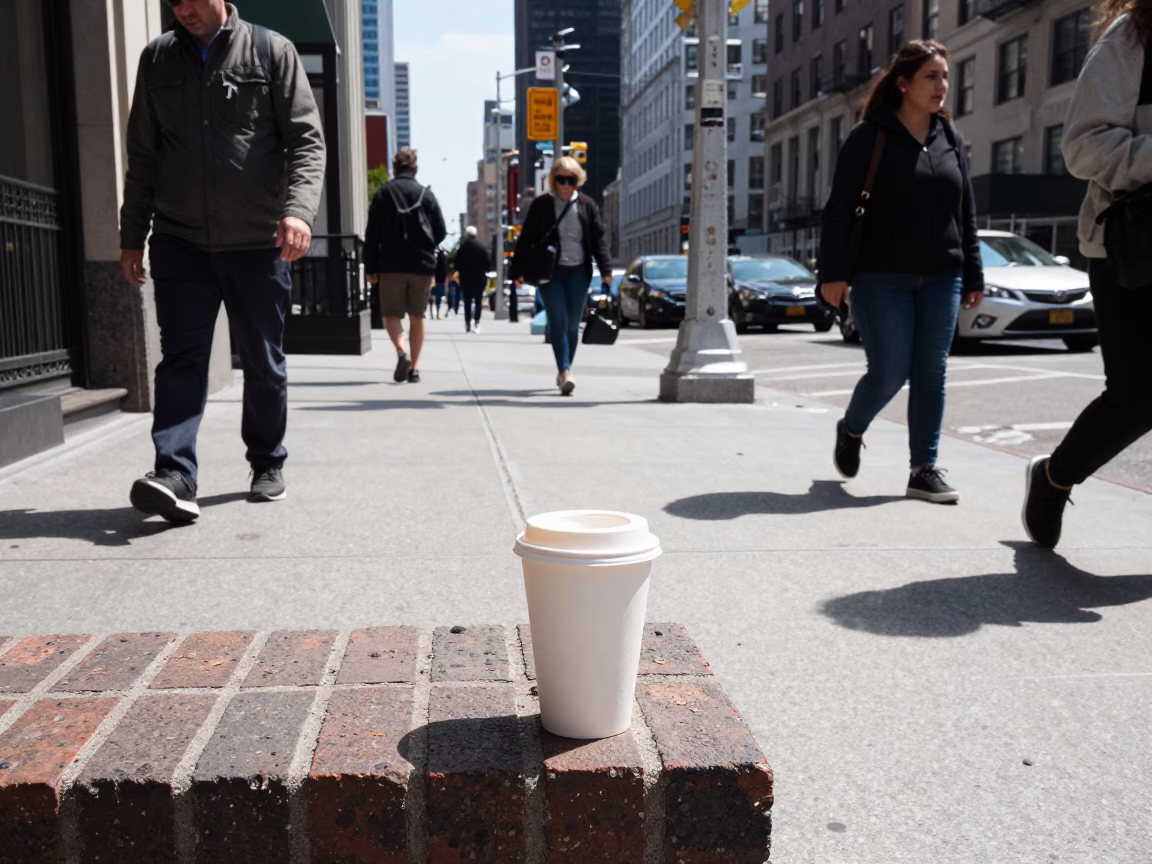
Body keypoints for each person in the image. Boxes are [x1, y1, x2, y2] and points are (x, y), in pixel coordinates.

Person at [120, 0, 325, 522]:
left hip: (258, 240)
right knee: (181, 360)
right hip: (179, 238)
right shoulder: (157, 59)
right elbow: (142, 153)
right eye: (173, 1)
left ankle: (266, 460)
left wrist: (298, 212)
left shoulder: (270, 50)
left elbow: (306, 140)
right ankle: (174, 474)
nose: (182, 9)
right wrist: (131, 234)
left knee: (262, 361)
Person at [819, 41, 983, 503]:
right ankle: (851, 429)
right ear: (904, 82)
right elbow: (838, 211)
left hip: (942, 275)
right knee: (889, 371)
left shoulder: (952, 138)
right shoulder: (868, 137)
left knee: (932, 371)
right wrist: (833, 273)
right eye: (932, 76)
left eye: (945, 76)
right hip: (879, 276)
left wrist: (973, 272)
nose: (942, 86)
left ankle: (922, 469)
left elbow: (965, 211)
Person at [1023, 0, 1152, 546]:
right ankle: (1054, 476)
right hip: (1134, 246)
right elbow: (1082, 146)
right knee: (1139, 397)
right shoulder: (1133, 38)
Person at [511, 157, 612, 395]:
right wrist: (517, 271)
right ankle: (565, 371)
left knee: (573, 323)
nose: (566, 185)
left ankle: (565, 369)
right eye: (561, 179)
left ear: (578, 181)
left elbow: (598, 239)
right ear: (553, 180)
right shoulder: (541, 205)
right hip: (550, 271)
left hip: (579, 270)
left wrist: (606, 270)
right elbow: (525, 240)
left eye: (571, 180)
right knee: (558, 320)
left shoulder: (587, 205)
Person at [364, 148, 447, 384]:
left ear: (394, 168)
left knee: (390, 315)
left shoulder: (383, 193)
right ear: (415, 169)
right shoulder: (425, 195)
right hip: (421, 265)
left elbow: (373, 234)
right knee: (417, 317)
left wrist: (370, 266)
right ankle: (416, 369)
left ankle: (402, 353)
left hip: (390, 265)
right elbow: (440, 232)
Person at [455, 226, 491, 334]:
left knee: (467, 301)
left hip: (466, 278)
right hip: (480, 278)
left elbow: (457, 263)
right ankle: (477, 322)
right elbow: (488, 262)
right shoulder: (482, 246)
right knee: (478, 301)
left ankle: (467, 323)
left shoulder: (462, 247)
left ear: (466, 234)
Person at [430, 248, 448, 319]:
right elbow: (445, 274)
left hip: (434, 282)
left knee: (431, 298)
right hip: (441, 282)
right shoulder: (444, 264)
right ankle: (437, 313)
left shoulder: (434, 262)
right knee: (438, 299)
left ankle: (431, 313)